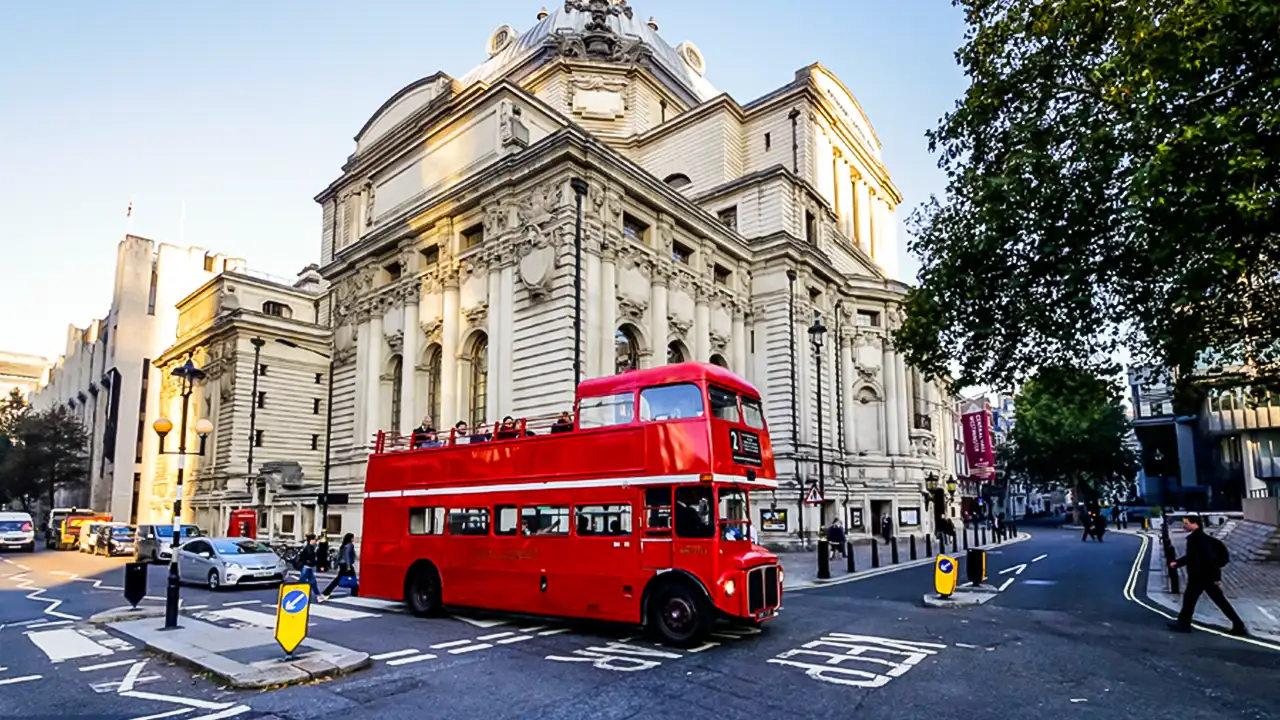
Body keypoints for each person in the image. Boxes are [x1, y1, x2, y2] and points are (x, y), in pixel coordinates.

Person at [1168, 514, 1247, 636]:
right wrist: (1177, 563)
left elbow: (1210, 559)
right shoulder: (1198, 538)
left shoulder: (1199, 540)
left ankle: (1238, 625)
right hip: (1201, 576)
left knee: (1213, 601)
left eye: (1186, 523)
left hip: (1202, 577)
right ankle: (1183, 624)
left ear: (1195, 524)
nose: (1184, 525)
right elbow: (1192, 557)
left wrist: (1216, 578)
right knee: (1192, 600)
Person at [323, 533, 358, 599]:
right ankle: (355, 592)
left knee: (338, 579)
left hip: (342, 564)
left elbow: (339, 556)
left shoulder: (343, 545)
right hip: (346, 564)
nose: (354, 539)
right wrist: (348, 566)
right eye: (353, 537)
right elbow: (347, 556)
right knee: (353, 578)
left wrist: (336, 564)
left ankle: (326, 592)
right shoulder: (350, 545)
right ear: (350, 538)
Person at [296, 534, 323, 602]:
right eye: (314, 540)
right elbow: (309, 558)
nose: (315, 541)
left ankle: (318, 595)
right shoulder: (309, 548)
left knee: (312, 582)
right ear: (311, 540)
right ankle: (298, 594)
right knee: (305, 582)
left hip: (308, 567)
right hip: (307, 567)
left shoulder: (311, 547)